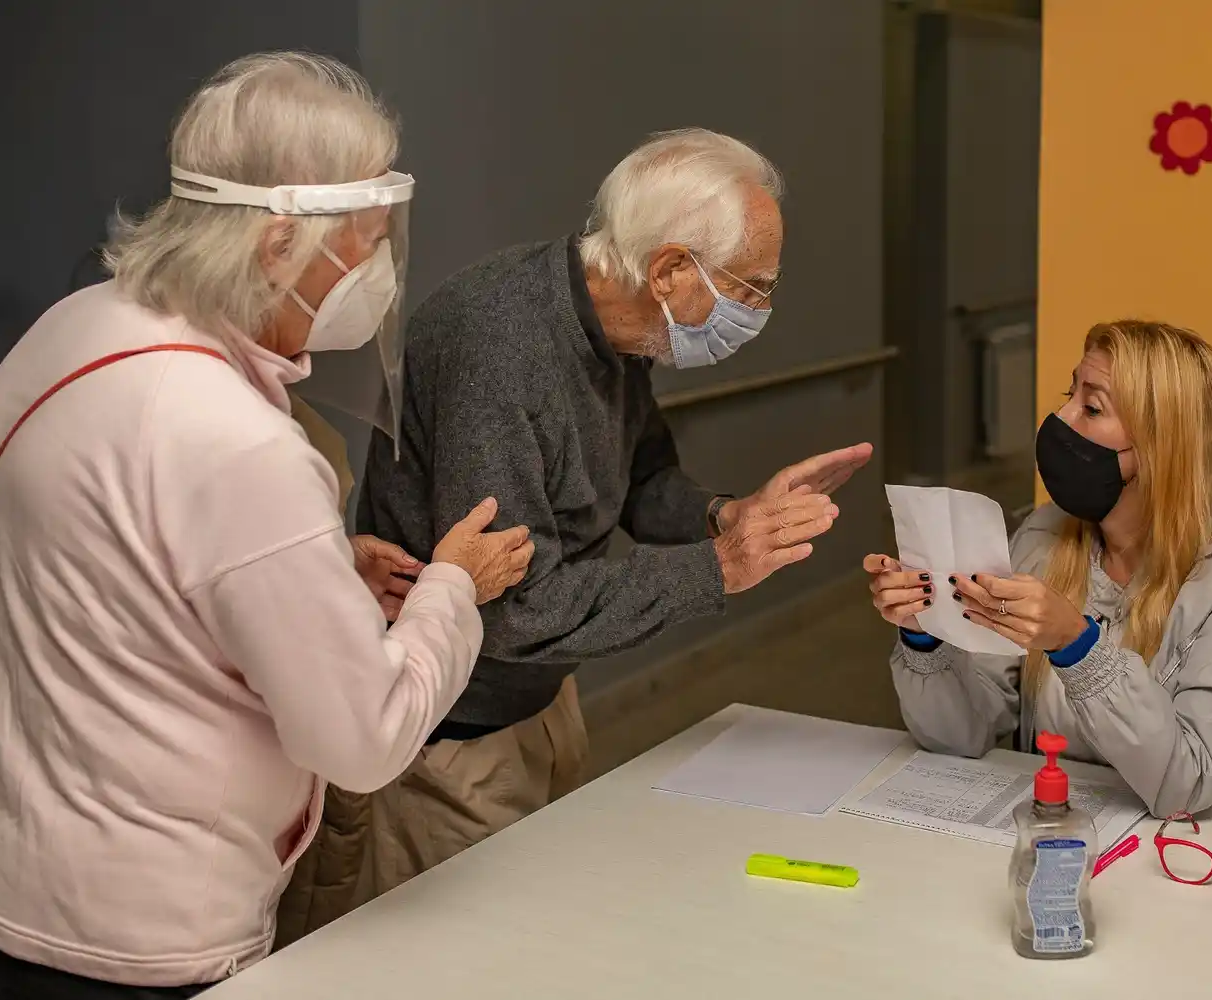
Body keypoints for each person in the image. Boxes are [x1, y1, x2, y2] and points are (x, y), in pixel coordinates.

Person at [0, 52, 534, 998]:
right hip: (133, 938)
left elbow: (116, 563)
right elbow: (364, 740)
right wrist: (452, 588)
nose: (379, 273)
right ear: (278, 244)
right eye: (367, 242)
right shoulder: (240, 444)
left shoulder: (72, 328)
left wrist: (312, 573)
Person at [278, 127, 874, 931]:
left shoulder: (619, 327)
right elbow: (515, 610)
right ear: (670, 270)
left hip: (545, 702)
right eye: (752, 287)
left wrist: (723, 516)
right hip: (452, 743)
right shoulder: (499, 344)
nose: (759, 310)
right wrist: (720, 567)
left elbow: (643, 482)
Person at [865, 320, 1212, 819]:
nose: (1060, 418)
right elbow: (962, 737)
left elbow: (1187, 785)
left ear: (1162, 446)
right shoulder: (1047, 535)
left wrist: (1076, 646)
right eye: (1070, 395)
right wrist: (927, 635)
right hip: (1086, 820)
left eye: (1093, 407)